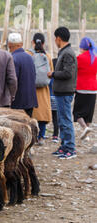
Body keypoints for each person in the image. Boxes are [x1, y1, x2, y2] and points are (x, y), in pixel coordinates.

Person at [48, 27, 78, 160]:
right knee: (62, 121)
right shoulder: (64, 52)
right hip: (61, 91)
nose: (55, 41)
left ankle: (70, 148)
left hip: (65, 92)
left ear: (58, 38)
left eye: (55, 38)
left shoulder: (68, 53)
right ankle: (64, 146)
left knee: (66, 121)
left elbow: (68, 73)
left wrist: (53, 74)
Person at [27, 33, 54, 144]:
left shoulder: (28, 54)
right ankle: (41, 136)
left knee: (31, 114)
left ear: (33, 42)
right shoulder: (47, 56)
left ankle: (31, 137)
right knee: (42, 114)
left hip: (30, 89)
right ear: (43, 43)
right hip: (43, 89)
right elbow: (50, 72)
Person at [7, 33, 38, 117]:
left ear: (9, 45)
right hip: (30, 100)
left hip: (18, 101)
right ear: (21, 44)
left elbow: (13, 80)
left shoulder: (12, 58)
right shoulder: (30, 57)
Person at [74, 37, 97, 140]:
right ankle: (86, 133)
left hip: (82, 88)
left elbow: (73, 72)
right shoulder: (95, 58)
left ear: (82, 47)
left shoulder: (79, 58)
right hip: (93, 89)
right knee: (88, 113)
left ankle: (84, 128)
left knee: (77, 112)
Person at [50, 58, 60, 143]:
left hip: (48, 99)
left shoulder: (50, 76)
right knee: (55, 119)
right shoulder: (59, 76)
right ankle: (55, 135)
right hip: (56, 99)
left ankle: (41, 134)